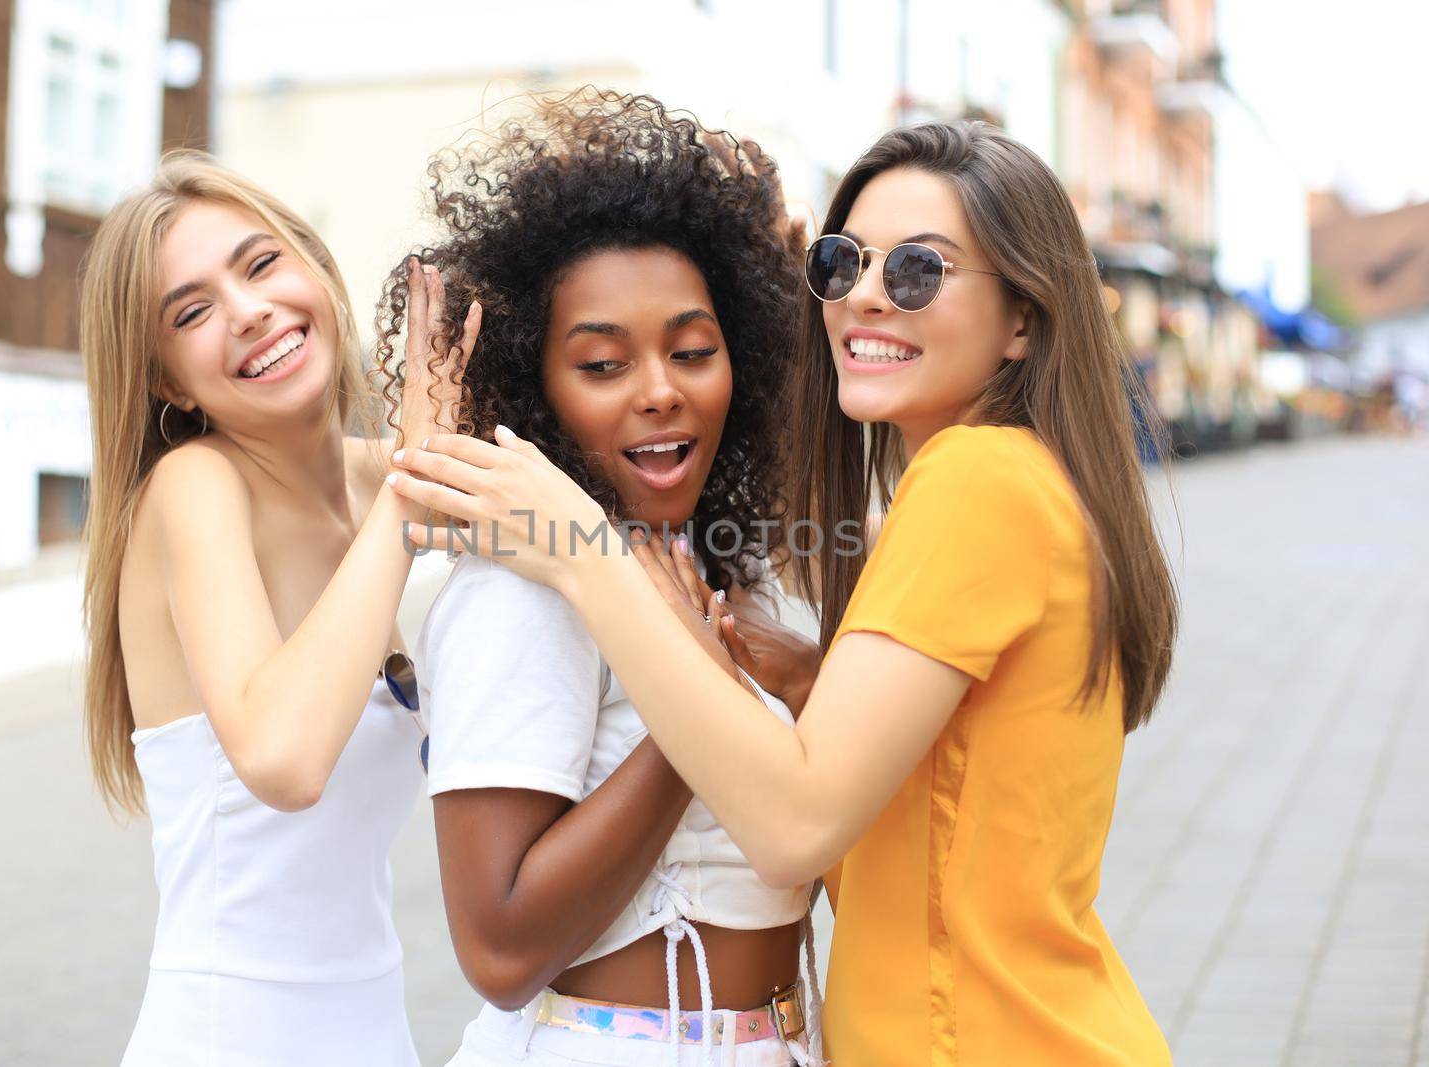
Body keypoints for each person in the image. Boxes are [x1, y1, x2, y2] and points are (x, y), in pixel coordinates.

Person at [388, 119, 1181, 1066]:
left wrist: (593, 561)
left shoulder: (978, 481)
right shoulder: (983, 486)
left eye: (919, 272)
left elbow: (794, 822)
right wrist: (787, 676)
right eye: (842, 267)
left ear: (1022, 317)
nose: (867, 300)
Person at [375, 89, 825, 1065]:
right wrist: (699, 692)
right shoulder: (523, 592)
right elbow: (498, 946)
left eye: (693, 350)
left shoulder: (743, 571)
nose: (659, 386)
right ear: (536, 390)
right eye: (602, 362)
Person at [80, 150, 475, 1066]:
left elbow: (592, 526)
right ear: (168, 381)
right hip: (229, 1036)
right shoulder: (195, 487)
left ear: (314, 271)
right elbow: (285, 759)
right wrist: (409, 500)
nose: (248, 309)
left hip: (374, 1030)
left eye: (260, 265)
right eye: (192, 310)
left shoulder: (386, 478)